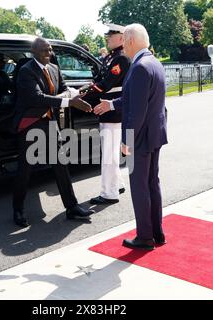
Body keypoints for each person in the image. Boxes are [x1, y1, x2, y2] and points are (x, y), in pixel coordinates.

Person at [94, 24, 168, 250]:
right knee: (152, 183)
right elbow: (137, 99)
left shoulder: (138, 68)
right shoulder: (153, 63)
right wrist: (112, 104)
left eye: (125, 40)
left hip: (140, 138)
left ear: (132, 40)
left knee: (139, 187)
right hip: (155, 134)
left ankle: (145, 237)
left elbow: (137, 111)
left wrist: (127, 140)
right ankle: (157, 232)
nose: (123, 44)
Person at [12, 37, 94, 228]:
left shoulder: (54, 69)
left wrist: (70, 96)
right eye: (45, 51)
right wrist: (67, 101)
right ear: (34, 52)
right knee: (25, 169)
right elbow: (36, 98)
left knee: (60, 164)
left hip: (50, 122)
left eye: (50, 50)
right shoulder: (26, 71)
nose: (49, 54)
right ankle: (18, 209)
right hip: (30, 123)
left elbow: (64, 89)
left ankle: (72, 207)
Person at [80, 23, 131, 205]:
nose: (107, 37)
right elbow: (100, 80)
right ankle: (117, 183)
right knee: (111, 151)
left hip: (113, 112)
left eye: (111, 34)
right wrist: (85, 89)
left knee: (109, 154)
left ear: (121, 37)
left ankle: (109, 193)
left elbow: (106, 84)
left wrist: (81, 96)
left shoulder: (121, 58)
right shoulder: (112, 57)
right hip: (109, 111)